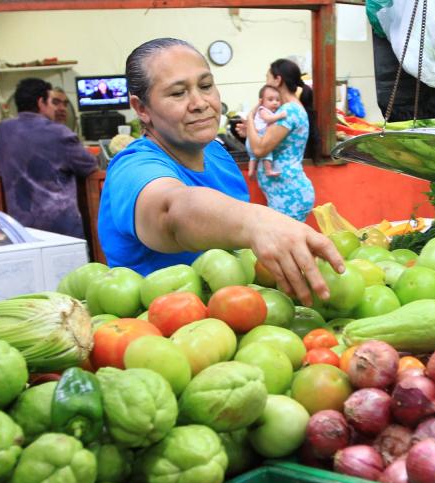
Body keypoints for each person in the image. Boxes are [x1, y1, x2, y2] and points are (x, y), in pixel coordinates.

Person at [98, 38, 342, 305]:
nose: (200, 103)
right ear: (142, 108)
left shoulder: (216, 154)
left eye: (205, 86)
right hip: (162, 325)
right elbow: (171, 211)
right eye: (178, 93)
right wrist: (257, 222)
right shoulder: (132, 168)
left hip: (234, 314)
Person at [0, 77, 97, 238]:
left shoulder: (3, 130)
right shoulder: (59, 133)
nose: (57, 108)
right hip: (60, 227)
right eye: (52, 102)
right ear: (41, 102)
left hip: (21, 227)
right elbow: (89, 166)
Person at [242, 59, 317, 223]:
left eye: (268, 78)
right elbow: (266, 141)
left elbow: (259, 149)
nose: (266, 82)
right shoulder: (289, 109)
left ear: (278, 80)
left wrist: (250, 119)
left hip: (289, 197)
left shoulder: (288, 110)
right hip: (287, 194)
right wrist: (250, 130)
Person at [247, 85, 286, 178]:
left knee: (253, 157)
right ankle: (268, 170)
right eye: (270, 100)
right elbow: (268, 119)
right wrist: (280, 116)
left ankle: (251, 171)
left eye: (277, 100)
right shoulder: (262, 110)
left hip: (252, 138)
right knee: (267, 153)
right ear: (261, 101)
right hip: (259, 136)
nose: (275, 103)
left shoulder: (268, 110)